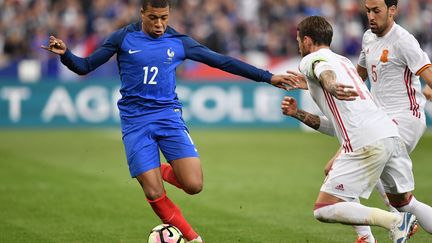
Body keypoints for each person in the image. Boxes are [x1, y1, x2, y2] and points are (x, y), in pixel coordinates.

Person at [41, 0, 300, 242]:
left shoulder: (179, 41)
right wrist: (66, 54)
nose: (159, 24)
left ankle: (156, 169)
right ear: (142, 13)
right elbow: (85, 66)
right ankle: (193, 238)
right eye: (153, 18)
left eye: (164, 18)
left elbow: (224, 62)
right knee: (153, 192)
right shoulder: (123, 37)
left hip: (168, 118)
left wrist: (268, 77)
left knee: (193, 185)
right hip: (135, 122)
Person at [286, 1, 432, 242]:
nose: (371, 16)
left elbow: (324, 70)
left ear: (392, 10)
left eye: (377, 10)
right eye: (368, 10)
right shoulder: (367, 39)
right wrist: (318, 84)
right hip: (382, 122)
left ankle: (384, 228)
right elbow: (356, 76)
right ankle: (393, 221)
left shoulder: (403, 40)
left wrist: (328, 83)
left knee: (335, 179)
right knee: (405, 201)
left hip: (405, 119)